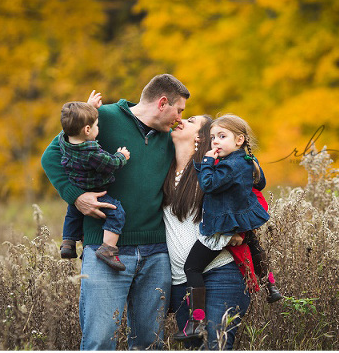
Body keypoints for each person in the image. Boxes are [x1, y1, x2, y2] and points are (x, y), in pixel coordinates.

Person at [41, 74, 189, 350]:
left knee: (150, 343)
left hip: (156, 252)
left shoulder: (172, 138)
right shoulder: (103, 117)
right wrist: (77, 198)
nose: (180, 118)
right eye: (179, 110)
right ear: (163, 102)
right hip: (105, 249)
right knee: (99, 340)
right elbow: (50, 157)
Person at [180, 114, 273, 339]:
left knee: (192, 268)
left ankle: (196, 320)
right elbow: (260, 183)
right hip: (240, 219)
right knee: (254, 246)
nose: (216, 142)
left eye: (222, 136)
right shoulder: (247, 161)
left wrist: (207, 164)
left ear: (239, 140)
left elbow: (209, 184)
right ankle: (271, 284)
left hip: (222, 225)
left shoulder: (229, 165)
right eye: (213, 138)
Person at [163, 115, 252, 349]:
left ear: (200, 137)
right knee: (194, 348)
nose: (180, 119)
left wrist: (239, 230)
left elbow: (252, 198)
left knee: (215, 345)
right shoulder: (164, 169)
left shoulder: (212, 171)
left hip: (218, 274)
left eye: (190, 120)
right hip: (181, 282)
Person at [56, 95, 131, 271]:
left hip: (77, 187)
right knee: (116, 212)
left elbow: (68, 130)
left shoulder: (63, 141)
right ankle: (108, 249)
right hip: (95, 190)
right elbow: (110, 164)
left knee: (73, 212)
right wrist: (122, 156)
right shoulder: (91, 152)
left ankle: (68, 242)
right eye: (96, 125)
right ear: (87, 129)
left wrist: (89, 109)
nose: (98, 128)